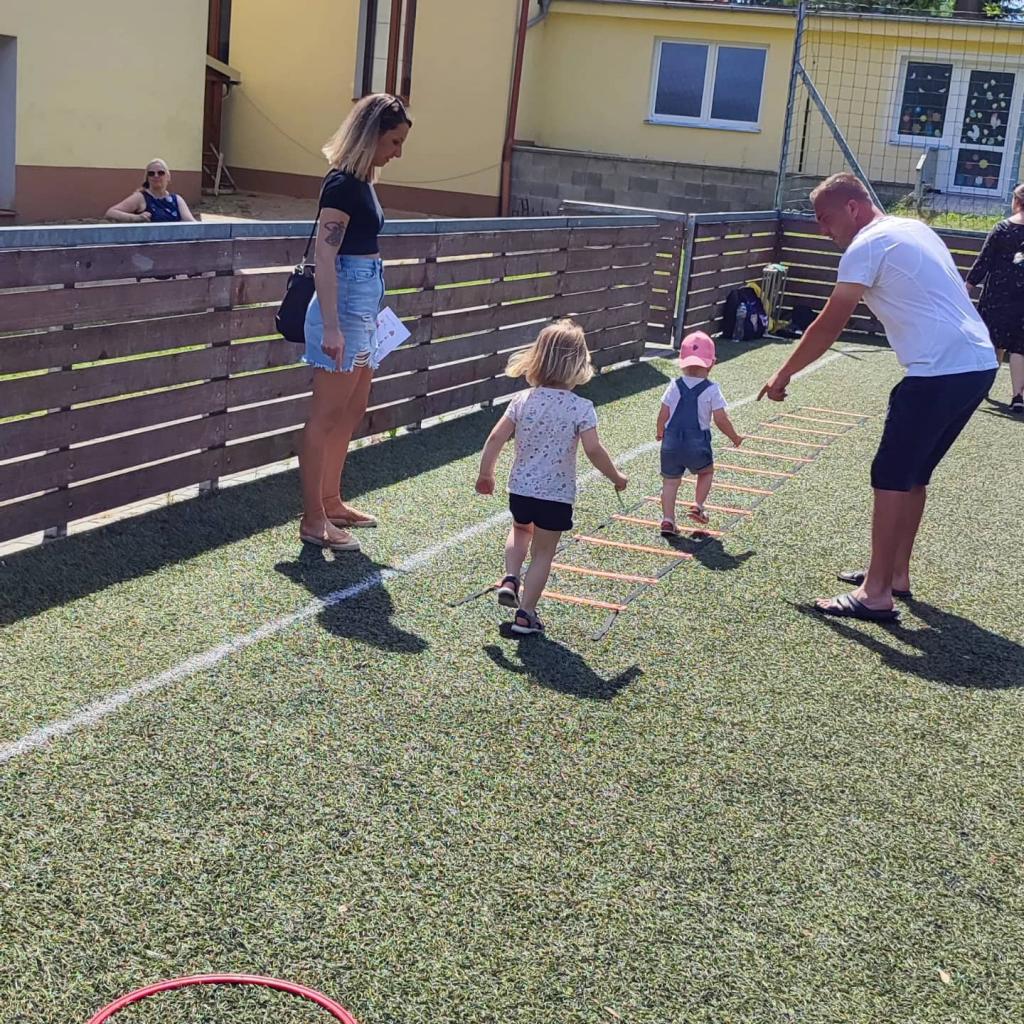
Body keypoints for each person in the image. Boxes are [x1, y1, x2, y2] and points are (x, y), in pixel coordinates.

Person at [758, 172, 997, 622]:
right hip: (978, 364)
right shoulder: (912, 228)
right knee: (913, 473)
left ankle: (876, 593)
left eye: (825, 218)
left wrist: (782, 373)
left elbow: (829, 325)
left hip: (939, 371)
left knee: (889, 475)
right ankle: (893, 575)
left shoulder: (866, 246)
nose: (822, 230)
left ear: (853, 208)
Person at [297, 94, 412, 552]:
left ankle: (331, 501)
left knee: (351, 409)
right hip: (344, 308)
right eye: (394, 141)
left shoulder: (362, 181)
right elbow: (325, 257)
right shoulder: (342, 184)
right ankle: (313, 519)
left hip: (362, 308)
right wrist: (331, 327)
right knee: (325, 416)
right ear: (372, 135)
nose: (397, 152)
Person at [475, 320, 628, 636]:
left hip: (520, 490)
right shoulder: (581, 407)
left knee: (520, 530)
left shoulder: (522, 400)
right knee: (543, 553)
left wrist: (486, 473)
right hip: (555, 495)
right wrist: (616, 476)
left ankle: (510, 577)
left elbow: (495, 437)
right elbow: (594, 450)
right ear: (579, 364)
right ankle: (526, 614)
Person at [656, 330, 742, 537]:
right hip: (697, 441)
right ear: (712, 363)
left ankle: (668, 520)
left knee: (670, 481)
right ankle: (698, 505)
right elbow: (721, 419)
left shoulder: (674, 386)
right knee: (706, 472)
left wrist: (660, 431)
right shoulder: (712, 389)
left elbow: (663, 413)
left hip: (671, 441)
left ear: (682, 362)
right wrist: (734, 437)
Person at [966, 182, 1024, 414]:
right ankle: (1018, 396)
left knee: (993, 341)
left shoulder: (1001, 228)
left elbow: (984, 261)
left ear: (1016, 201)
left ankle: (983, 386)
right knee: (1020, 347)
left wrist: (968, 285)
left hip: (997, 294)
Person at [105, 159, 197, 223]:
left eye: (161, 173)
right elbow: (111, 212)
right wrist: (136, 218)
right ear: (147, 178)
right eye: (151, 173)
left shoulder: (177, 199)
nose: (156, 176)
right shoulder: (141, 197)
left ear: (168, 177)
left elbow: (191, 223)